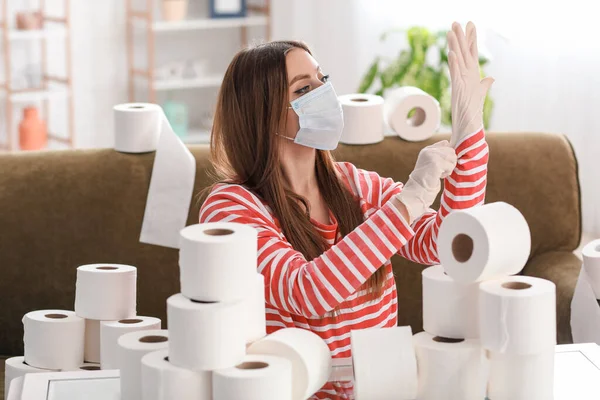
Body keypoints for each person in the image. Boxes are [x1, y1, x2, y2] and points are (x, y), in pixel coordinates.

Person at [200, 21, 493, 399]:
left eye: (323, 80)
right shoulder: (232, 207)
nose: (325, 94)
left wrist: (468, 139)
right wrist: (408, 202)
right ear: (262, 114)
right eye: (304, 89)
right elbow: (304, 291)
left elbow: (444, 245)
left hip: (383, 387)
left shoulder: (353, 185)